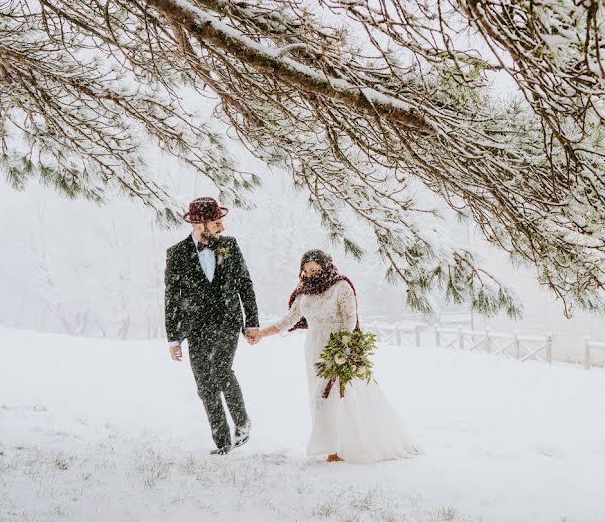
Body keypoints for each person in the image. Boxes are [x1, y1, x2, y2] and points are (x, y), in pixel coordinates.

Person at [248, 249, 419, 463]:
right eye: (306, 270)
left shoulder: (341, 286)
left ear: (325, 266)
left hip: (337, 346)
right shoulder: (304, 291)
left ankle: (338, 449)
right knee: (318, 397)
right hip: (314, 348)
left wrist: (343, 347)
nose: (310, 273)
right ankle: (332, 446)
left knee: (335, 396)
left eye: (314, 269)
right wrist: (262, 333)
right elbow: (289, 319)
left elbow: (349, 318)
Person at [165, 197, 259, 455]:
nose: (222, 228)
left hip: (228, 322)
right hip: (196, 328)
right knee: (204, 385)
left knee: (220, 369)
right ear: (199, 224)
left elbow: (245, 285)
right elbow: (172, 297)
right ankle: (223, 444)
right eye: (217, 223)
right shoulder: (176, 254)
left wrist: (251, 323)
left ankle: (241, 422)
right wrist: (174, 338)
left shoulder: (229, 246)